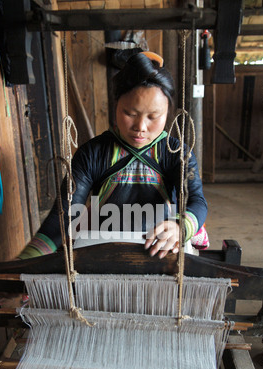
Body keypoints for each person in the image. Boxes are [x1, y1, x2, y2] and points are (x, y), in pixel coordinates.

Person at [18, 51, 209, 261]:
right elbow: (64, 215)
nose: (140, 127)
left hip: (161, 252)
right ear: (116, 105)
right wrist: (24, 265)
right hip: (104, 251)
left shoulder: (177, 154)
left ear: (167, 112)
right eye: (130, 114)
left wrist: (180, 227)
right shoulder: (93, 154)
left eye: (153, 116)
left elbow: (197, 201)